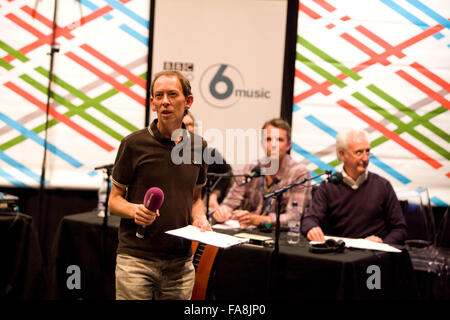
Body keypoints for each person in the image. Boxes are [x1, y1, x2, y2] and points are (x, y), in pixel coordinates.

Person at [108, 70, 211, 300]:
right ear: (152, 103)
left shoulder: (199, 146)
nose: (165, 101)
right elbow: (114, 201)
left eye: (172, 94)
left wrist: (200, 218)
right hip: (136, 261)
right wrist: (135, 210)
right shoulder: (134, 144)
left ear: (188, 101)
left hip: (180, 264)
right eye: (159, 95)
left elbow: (195, 199)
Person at [301, 129, 407, 245]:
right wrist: (312, 228)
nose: (365, 158)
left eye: (367, 152)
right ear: (342, 155)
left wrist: (382, 245)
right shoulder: (329, 186)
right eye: (359, 152)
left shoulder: (382, 186)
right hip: (341, 255)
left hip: (375, 255)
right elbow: (309, 220)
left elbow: (400, 229)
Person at [212, 118, 311, 228]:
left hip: (280, 236)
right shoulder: (251, 168)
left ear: (288, 145)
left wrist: (258, 219)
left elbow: (294, 217)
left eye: (279, 140)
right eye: (268, 139)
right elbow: (229, 203)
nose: (273, 145)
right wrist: (223, 212)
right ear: (262, 143)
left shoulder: (299, 173)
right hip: (248, 231)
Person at [183, 111, 233, 213]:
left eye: (190, 124)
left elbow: (227, 174)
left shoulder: (208, 153)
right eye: (184, 125)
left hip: (200, 211)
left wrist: (214, 195)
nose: (189, 129)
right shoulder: (169, 155)